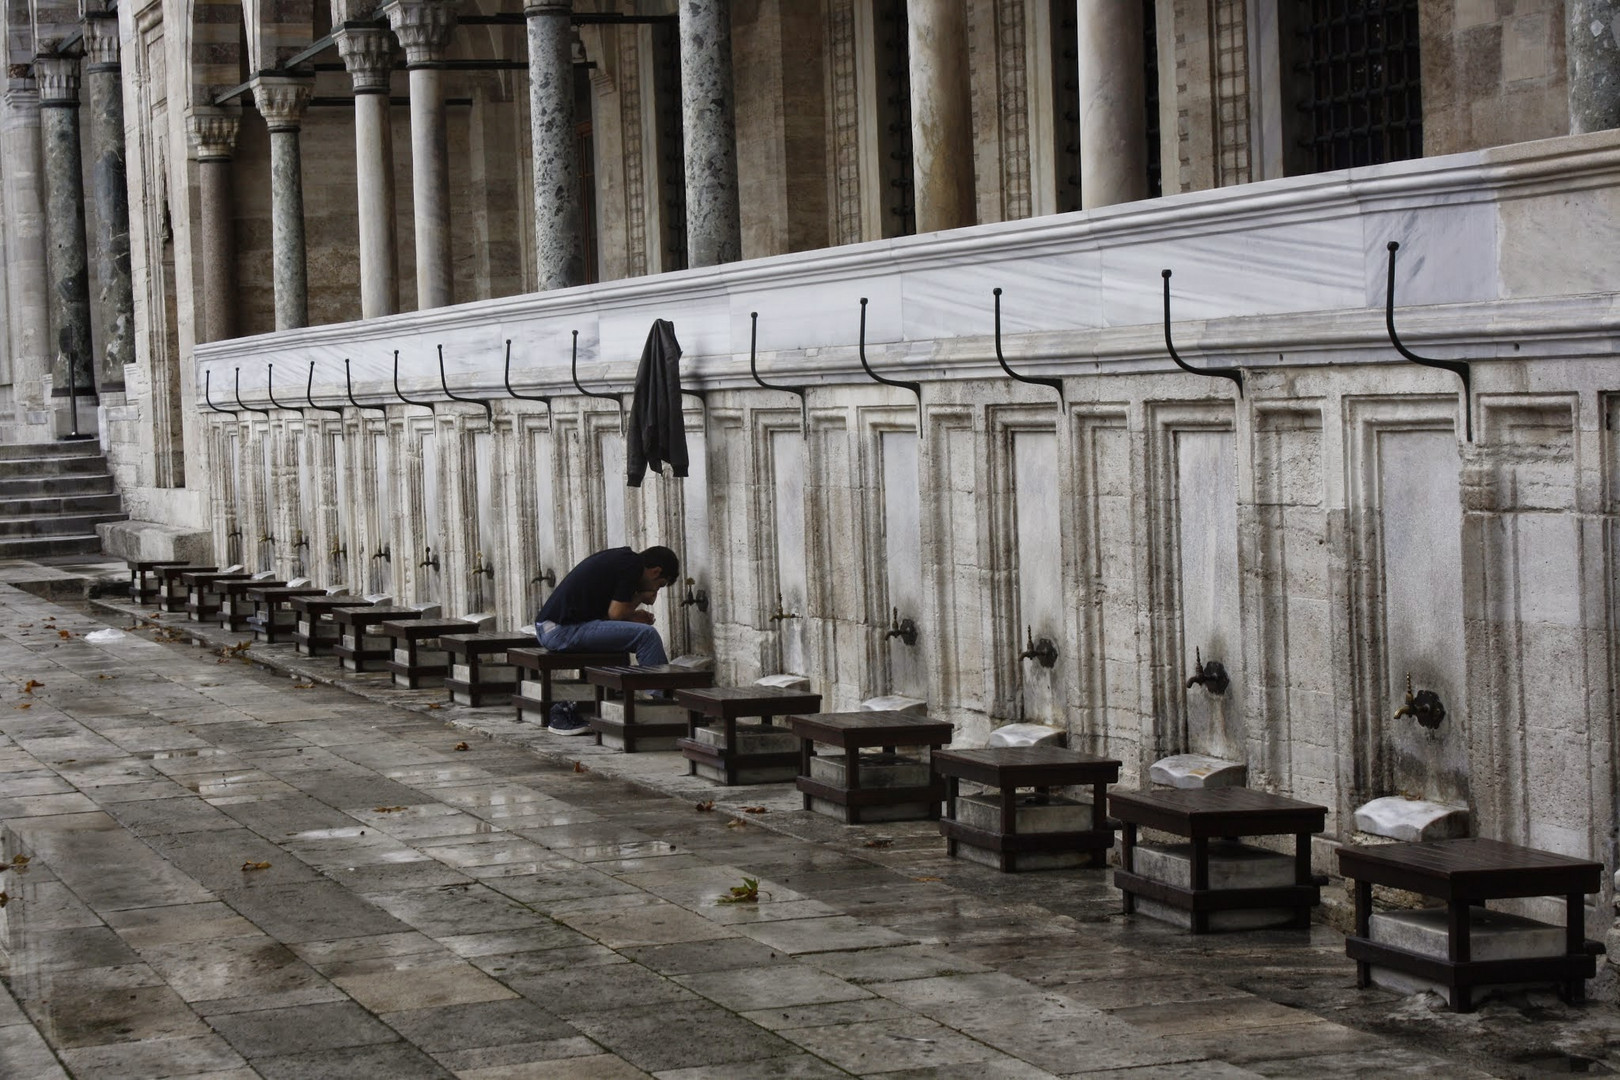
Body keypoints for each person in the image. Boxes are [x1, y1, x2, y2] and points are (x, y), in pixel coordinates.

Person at [535, 545, 678, 669]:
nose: (655, 591)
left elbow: (609, 615)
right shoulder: (633, 566)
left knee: (626, 639)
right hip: (561, 631)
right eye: (660, 585)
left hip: (549, 628)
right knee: (647, 635)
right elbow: (616, 614)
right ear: (656, 572)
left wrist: (631, 617)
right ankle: (661, 696)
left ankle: (618, 689)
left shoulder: (624, 560)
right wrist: (641, 597)